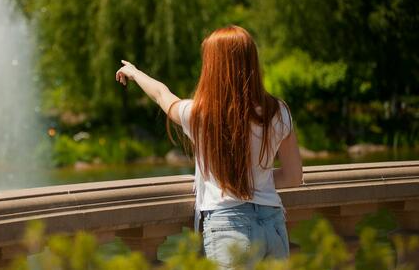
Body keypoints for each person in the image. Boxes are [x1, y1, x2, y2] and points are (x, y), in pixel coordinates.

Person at [115, 25, 303, 269]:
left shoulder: (200, 114)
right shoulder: (278, 112)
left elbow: (162, 95)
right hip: (273, 224)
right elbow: (293, 176)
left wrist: (135, 72)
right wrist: (257, 180)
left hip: (229, 228)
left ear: (213, 66)